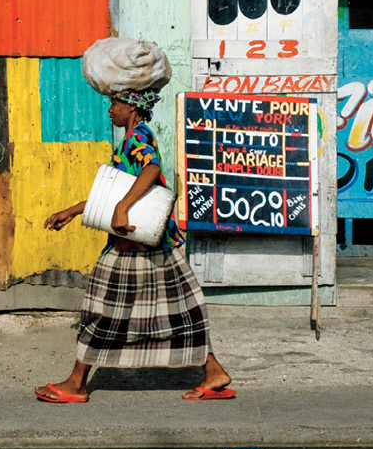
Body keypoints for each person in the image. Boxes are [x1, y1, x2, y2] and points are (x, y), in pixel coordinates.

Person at [34, 83, 233, 404]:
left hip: (137, 244)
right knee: (179, 311)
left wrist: (123, 208)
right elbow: (114, 191)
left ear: (131, 107)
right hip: (147, 243)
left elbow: (152, 169)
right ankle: (213, 373)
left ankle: (76, 383)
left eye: (114, 104)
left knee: (103, 308)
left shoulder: (139, 136)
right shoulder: (128, 140)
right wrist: (71, 211)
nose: (110, 110)